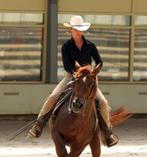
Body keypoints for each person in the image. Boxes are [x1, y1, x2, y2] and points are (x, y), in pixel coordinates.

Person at [28, 15, 118, 147]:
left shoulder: (90, 46)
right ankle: (38, 125)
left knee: (103, 102)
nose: (79, 32)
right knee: (53, 96)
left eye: (80, 29)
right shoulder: (66, 46)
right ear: (71, 30)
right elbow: (66, 65)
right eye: (76, 29)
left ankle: (107, 133)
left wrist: (93, 72)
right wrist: (76, 73)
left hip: (88, 79)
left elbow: (99, 61)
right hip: (71, 76)